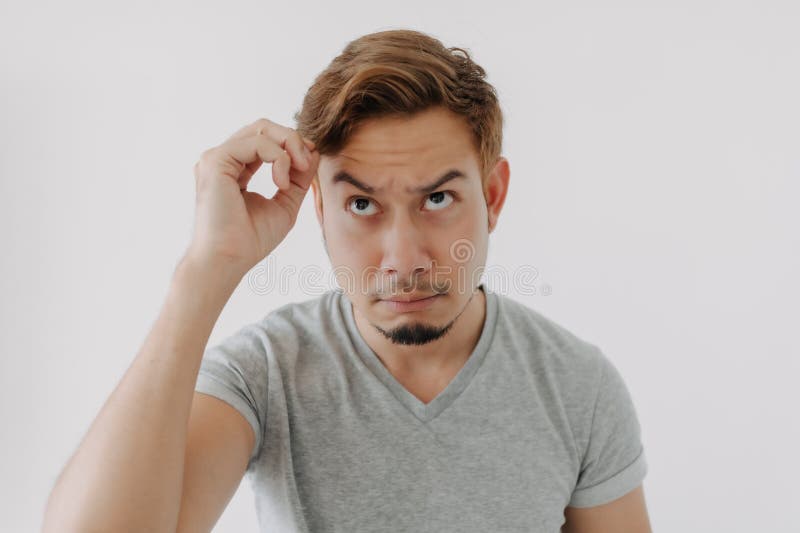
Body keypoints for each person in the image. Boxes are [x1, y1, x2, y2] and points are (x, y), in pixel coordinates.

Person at [43, 29, 651, 533]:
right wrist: (204, 271)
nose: (404, 258)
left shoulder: (577, 388)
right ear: (321, 213)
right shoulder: (265, 375)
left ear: (492, 196)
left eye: (437, 198)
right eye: (362, 206)